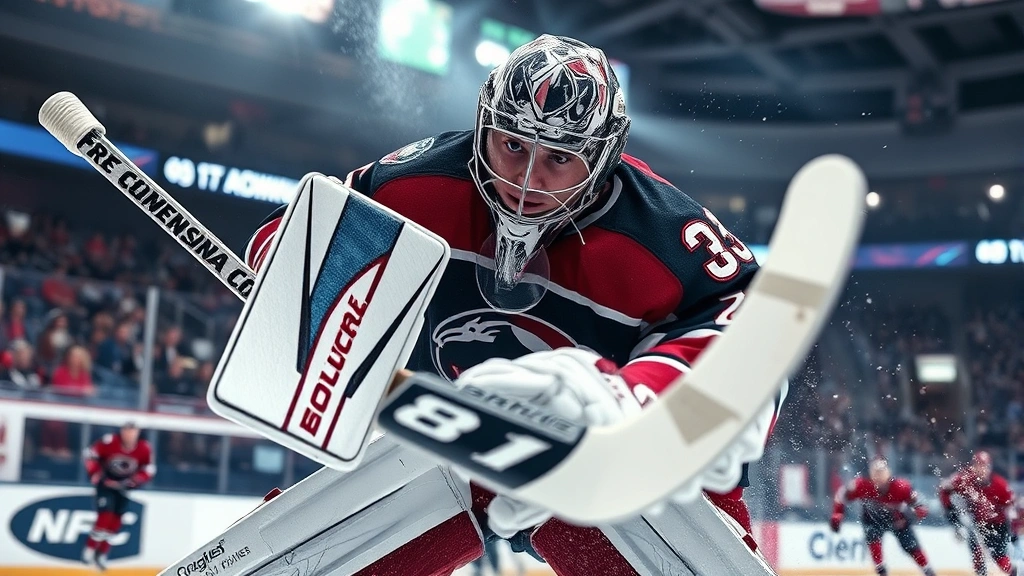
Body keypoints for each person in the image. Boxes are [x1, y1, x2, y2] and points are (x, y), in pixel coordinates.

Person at [245, 34, 786, 575]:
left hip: (600, 454)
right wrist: (301, 283)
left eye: (558, 157)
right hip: (451, 436)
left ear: (602, 159)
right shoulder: (421, 183)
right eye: (513, 145)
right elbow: (297, 233)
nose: (526, 179)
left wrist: (632, 401)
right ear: (485, 127)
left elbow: (759, 334)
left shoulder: (664, 235)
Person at [831, 458, 936, 576]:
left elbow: (919, 503)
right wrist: (837, 513)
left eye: (882, 477)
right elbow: (842, 495)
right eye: (876, 478)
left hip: (898, 520)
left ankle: (928, 570)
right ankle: (881, 570)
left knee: (911, 546)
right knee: (872, 535)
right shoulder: (862, 485)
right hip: (872, 520)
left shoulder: (901, 487)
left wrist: (914, 513)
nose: (879, 484)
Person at [81, 422, 155, 571]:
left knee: (115, 522)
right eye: (127, 432)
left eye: (133, 432)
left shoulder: (144, 448)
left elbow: (149, 469)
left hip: (124, 488)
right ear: (122, 432)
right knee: (105, 517)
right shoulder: (109, 442)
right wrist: (96, 474)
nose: (130, 435)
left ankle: (101, 553)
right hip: (106, 485)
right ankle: (89, 549)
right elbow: (89, 455)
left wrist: (136, 480)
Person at [939, 450, 1018, 576]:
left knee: (999, 557)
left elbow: (1011, 508)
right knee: (977, 554)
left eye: (984, 466)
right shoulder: (964, 479)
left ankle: (1012, 572)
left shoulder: (1000, 485)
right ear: (973, 466)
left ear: (989, 468)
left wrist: (1014, 529)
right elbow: (944, 488)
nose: (981, 470)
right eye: (978, 466)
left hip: (998, 525)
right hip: (977, 523)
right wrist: (950, 510)